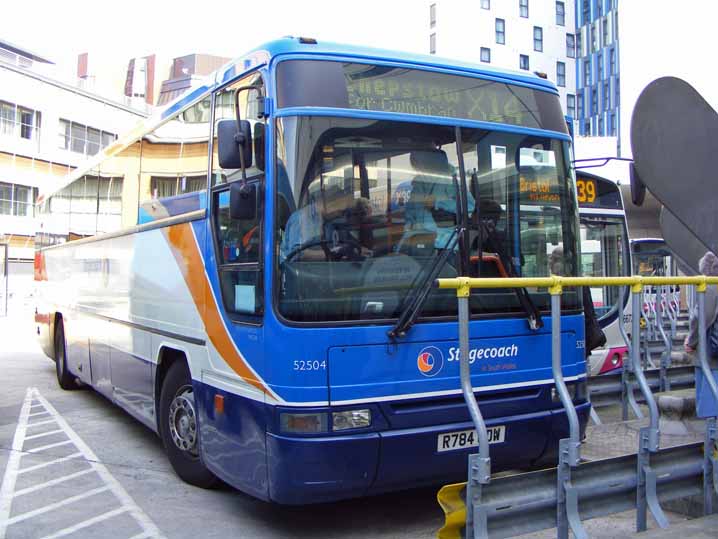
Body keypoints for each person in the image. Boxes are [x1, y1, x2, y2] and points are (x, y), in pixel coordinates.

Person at [684, 251, 718, 353]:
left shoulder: (711, 287)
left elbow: (704, 316)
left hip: (711, 350)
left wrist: (691, 342)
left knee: (705, 366)